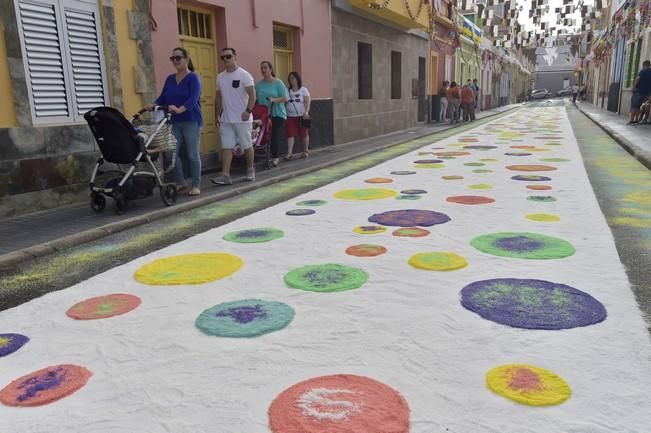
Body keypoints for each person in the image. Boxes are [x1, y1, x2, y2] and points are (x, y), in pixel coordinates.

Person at [147, 47, 202, 196]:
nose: (175, 61)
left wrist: (180, 109)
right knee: (171, 153)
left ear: (186, 59)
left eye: (178, 58)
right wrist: (153, 105)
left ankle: (196, 185)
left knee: (192, 154)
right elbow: (163, 97)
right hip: (173, 121)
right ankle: (180, 182)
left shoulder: (193, 78)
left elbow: (193, 98)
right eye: (173, 59)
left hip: (191, 120)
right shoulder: (170, 79)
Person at [210, 47, 256, 186]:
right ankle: (225, 175)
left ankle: (250, 169)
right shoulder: (220, 77)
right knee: (227, 146)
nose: (225, 59)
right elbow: (218, 98)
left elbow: (253, 95)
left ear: (235, 57)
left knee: (246, 145)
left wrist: (247, 111)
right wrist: (216, 115)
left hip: (242, 118)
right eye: (223, 57)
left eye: (228, 56)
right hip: (226, 119)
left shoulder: (244, 75)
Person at [255, 61, 288, 167]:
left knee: (274, 134)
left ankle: (275, 157)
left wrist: (274, 99)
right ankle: (262, 156)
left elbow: (285, 98)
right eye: (261, 68)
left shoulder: (278, 83)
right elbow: (255, 99)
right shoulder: (258, 85)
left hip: (277, 113)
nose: (263, 70)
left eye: (265, 67)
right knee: (262, 135)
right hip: (264, 115)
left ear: (270, 69)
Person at [285, 71, 311, 160]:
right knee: (290, 134)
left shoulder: (303, 90)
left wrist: (306, 112)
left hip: (301, 116)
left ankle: (305, 150)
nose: (291, 80)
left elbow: (307, 102)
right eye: (289, 78)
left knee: (304, 134)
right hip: (290, 116)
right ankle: (289, 153)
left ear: (297, 79)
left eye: (292, 78)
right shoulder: (287, 90)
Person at [628, 60, 651, 125]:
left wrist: (633, 87)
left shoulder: (642, 71)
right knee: (640, 106)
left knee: (634, 106)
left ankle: (632, 120)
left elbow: (638, 79)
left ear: (644, 65)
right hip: (646, 94)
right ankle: (636, 120)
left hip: (638, 92)